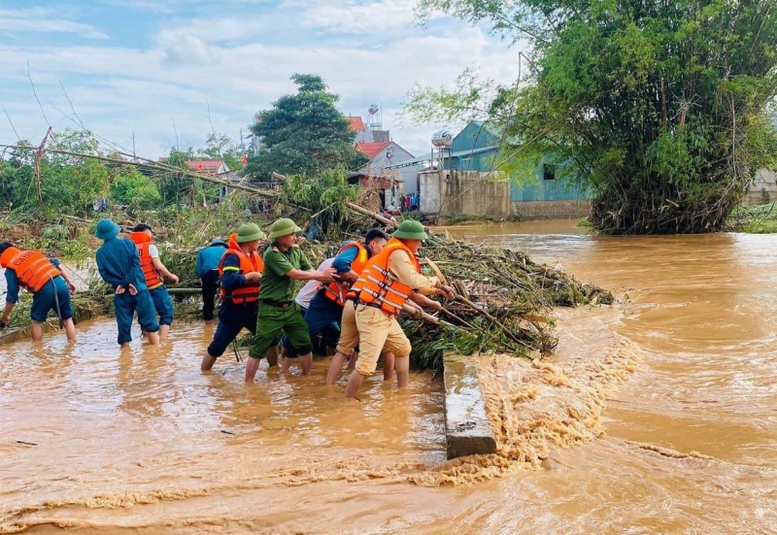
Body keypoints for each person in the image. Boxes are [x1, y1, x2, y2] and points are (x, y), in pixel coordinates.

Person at [344, 220, 454, 398]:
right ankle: (345, 404)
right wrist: (435, 280)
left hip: (384, 313)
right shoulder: (398, 254)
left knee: (403, 349)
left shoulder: (398, 253)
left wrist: (439, 289)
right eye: (418, 240)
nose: (419, 244)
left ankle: (402, 393)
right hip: (374, 314)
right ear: (409, 239)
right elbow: (413, 281)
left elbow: (414, 288)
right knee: (366, 366)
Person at [246, 218, 335, 381]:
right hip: (270, 309)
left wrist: (324, 279)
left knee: (305, 343)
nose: (295, 237)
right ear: (280, 237)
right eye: (291, 234)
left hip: (291, 307)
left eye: (295, 234)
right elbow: (294, 274)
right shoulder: (271, 254)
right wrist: (323, 276)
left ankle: (306, 379)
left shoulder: (295, 251)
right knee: (259, 348)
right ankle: (248, 385)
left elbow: (310, 271)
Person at [200, 223, 275, 371]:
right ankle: (204, 375)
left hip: (254, 307)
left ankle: (275, 372)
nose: (259, 242)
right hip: (233, 310)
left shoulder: (254, 256)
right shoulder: (232, 257)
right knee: (218, 345)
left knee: (271, 340)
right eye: (257, 239)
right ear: (249, 241)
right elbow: (228, 281)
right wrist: (249, 277)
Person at [321, 229, 391, 384]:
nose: (384, 249)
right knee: (383, 350)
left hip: (350, 304)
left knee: (345, 348)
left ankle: (330, 385)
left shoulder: (372, 260)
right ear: (373, 243)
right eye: (383, 246)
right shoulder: (360, 252)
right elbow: (340, 265)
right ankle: (387, 387)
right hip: (361, 307)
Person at [94, 219, 160, 347]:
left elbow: (105, 275)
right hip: (139, 288)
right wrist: (127, 283)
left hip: (121, 292)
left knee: (124, 325)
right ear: (115, 230)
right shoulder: (129, 244)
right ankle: (156, 355)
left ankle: (125, 361)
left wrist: (122, 284)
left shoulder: (100, 253)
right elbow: (136, 265)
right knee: (150, 322)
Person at [0, 242, 78, 341]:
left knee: (36, 321)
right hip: (61, 284)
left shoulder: (11, 268)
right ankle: (72, 351)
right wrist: (69, 282)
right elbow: (57, 265)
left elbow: (12, 295)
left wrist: (5, 316)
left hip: (44, 290)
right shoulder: (32, 253)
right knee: (67, 319)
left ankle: (38, 352)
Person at [128, 223, 179, 339]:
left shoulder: (129, 249)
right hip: (154, 286)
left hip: (139, 289)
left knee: (146, 317)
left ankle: (148, 345)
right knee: (166, 313)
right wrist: (171, 276)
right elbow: (159, 266)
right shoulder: (150, 247)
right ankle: (162, 342)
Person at [281, 256, 334, 360]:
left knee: (333, 334)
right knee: (298, 335)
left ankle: (327, 362)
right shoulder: (331, 264)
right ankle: (282, 359)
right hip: (305, 304)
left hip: (323, 307)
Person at [196, 237, 228, 324]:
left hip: (208, 274)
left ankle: (208, 323)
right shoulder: (228, 250)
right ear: (223, 245)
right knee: (227, 297)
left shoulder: (203, 251)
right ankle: (227, 321)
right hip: (224, 273)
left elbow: (198, 269)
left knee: (208, 300)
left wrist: (201, 280)